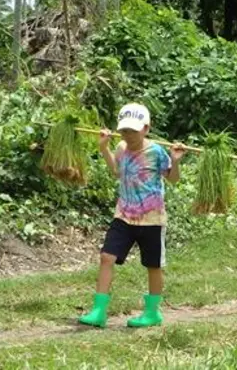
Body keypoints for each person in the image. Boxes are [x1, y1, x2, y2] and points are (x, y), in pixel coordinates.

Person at [79, 103, 186, 328]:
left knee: (153, 265)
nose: (128, 135)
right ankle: (99, 311)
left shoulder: (156, 152)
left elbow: (173, 179)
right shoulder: (121, 148)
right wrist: (104, 149)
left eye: (133, 131)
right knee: (107, 257)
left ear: (146, 129)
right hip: (124, 215)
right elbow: (117, 172)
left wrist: (175, 161)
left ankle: (152, 313)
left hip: (152, 218)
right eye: (124, 130)